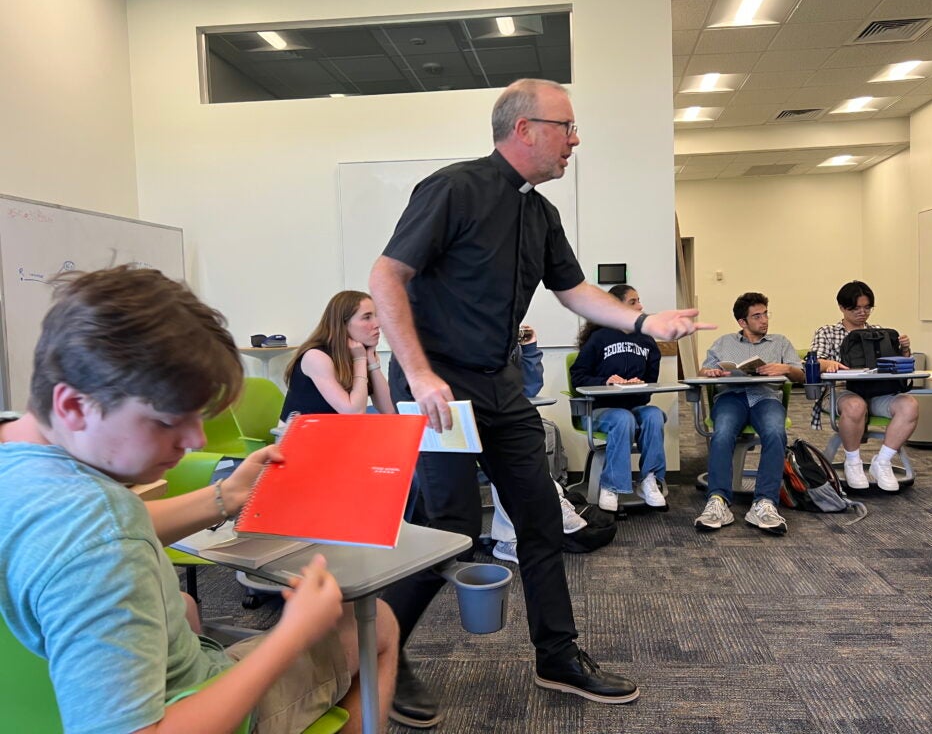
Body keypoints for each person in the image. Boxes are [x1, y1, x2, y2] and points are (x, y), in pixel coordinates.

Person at [368, 78, 713, 726]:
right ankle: (376, 648)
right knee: (449, 530)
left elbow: (575, 290)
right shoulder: (453, 188)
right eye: (566, 127)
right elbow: (386, 275)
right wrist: (418, 374)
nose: (575, 140)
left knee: (541, 520)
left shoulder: (540, 213)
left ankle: (557, 656)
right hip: (439, 386)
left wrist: (645, 324)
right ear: (524, 129)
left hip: (500, 386)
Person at [0, 266, 399, 734]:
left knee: (187, 611)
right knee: (380, 624)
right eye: (168, 422)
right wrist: (290, 638)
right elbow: (107, 539)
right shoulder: (103, 541)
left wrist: (227, 495)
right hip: (191, 705)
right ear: (72, 406)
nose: (192, 440)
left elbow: (121, 526)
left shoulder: (24, 460)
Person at [694, 292, 804, 535]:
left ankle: (765, 503)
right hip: (731, 397)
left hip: (766, 397)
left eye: (765, 314)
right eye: (757, 316)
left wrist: (784, 368)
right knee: (722, 434)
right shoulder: (724, 342)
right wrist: (709, 373)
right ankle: (718, 501)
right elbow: (704, 369)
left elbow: (801, 375)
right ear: (742, 322)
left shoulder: (780, 342)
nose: (764, 320)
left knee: (776, 433)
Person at [489, 325, 587, 565]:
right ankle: (511, 535)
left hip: (501, 417)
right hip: (465, 418)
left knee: (529, 430)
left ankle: (550, 498)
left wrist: (530, 348)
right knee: (503, 443)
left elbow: (530, 388)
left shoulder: (509, 339)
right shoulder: (476, 336)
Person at [809, 280, 918, 492]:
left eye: (867, 307)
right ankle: (853, 462)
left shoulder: (880, 332)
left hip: (877, 392)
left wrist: (905, 350)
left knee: (909, 405)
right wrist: (827, 363)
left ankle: (883, 461)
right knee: (855, 406)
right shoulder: (828, 332)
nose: (862, 313)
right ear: (842, 307)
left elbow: (899, 365)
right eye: (856, 308)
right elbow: (815, 360)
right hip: (840, 391)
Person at [569, 284, 668, 513]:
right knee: (623, 418)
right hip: (599, 411)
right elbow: (578, 378)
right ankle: (611, 485)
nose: (640, 306)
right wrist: (606, 382)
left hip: (634, 407)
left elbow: (650, 386)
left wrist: (638, 385)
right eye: (633, 301)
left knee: (653, 415)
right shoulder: (598, 338)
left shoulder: (646, 341)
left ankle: (649, 480)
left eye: (639, 300)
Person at [281, 290, 394, 419]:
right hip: (299, 436)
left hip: (337, 433)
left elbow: (389, 409)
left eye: (376, 316)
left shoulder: (363, 353)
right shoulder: (316, 357)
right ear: (343, 324)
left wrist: (372, 362)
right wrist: (360, 360)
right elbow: (353, 413)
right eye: (367, 317)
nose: (377, 324)